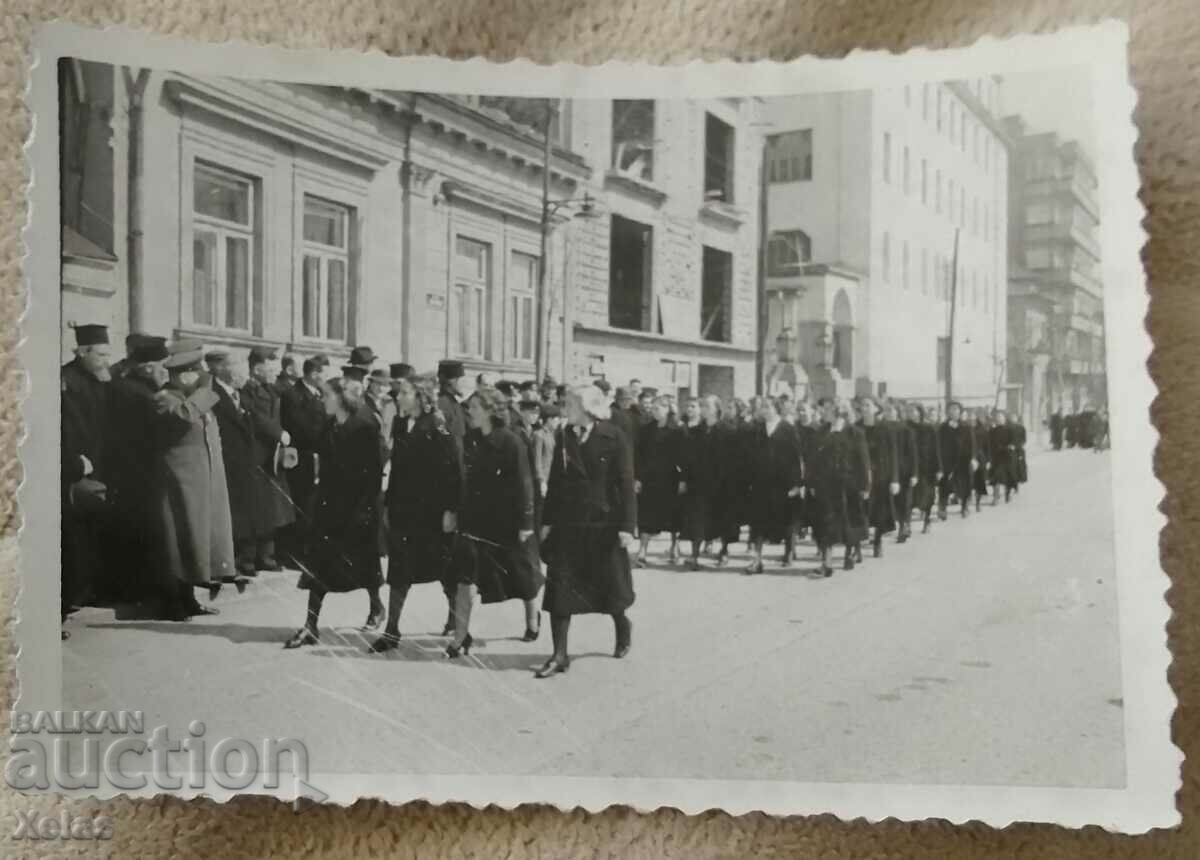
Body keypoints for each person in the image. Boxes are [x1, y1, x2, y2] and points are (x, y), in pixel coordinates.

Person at [537, 384, 636, 678]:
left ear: (587, 408)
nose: (565, 407)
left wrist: (627, 526)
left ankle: (622, 624)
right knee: (560, 588)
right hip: (569, 524)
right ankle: (559, 654)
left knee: (609, 588)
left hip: (602, 525)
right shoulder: (564, 435)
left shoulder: (614, 436)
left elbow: (626, 485)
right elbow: (555, 482)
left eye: (570, 403)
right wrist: (546, 522)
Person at [284, 377, 385, 648]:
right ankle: (310, 626)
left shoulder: (365, 426)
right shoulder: (330, 425)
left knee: (364, 563)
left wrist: (364, 511)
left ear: (342, 398)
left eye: (326, 395)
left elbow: (374, 473)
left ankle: (376, 606)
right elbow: (312, 444)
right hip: (330, 507)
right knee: (318, 564)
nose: (322, 400)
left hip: (358, 508)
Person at [368, 375, 463, 652]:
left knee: (446, 571)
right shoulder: (400, 423)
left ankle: (457, 622)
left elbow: (454, 471)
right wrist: (387, 506)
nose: (398, 397)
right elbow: (397, 468)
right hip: (403, 512)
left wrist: (451, 511)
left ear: (421, 397)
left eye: (405, 393)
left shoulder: (438, 424)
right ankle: (392, 630)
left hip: (432, 515)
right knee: (399, 571)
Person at [447, 386, 543, 657]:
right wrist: (453, 511)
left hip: (506, 522)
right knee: (465, 580)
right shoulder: (471, 439)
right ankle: (460, 636)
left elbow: (526, 484)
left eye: (475, 408)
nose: (469, 412)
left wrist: (526, 523)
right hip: (474, 521)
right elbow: (461, 479)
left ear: (490, 410)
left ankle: (533, 619)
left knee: (523, 576)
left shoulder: (512, 442)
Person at [151, 339, 234, 619]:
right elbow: (185, 415)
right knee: (177, 541)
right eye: (193, 372)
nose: (198, 377)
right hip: (178, 481)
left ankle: (189, 599)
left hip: (201, 481)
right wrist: (206, 389)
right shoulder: (165, 398)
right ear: (179, 375)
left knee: (195, 540)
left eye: (198, 372)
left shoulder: (194, 399)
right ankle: (172, 602)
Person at [104, 335, 170, 605]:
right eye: (161, 365)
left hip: (132, 472)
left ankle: (134, 590)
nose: (165, 371)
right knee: (142, 530)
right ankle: (140, 592)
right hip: (140, 473)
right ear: (146, 368)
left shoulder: (128, 387)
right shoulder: (141, 394)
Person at [61, 323, 113, 634]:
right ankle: (66, 603)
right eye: (101, 354)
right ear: (82, 352)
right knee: (71, 540)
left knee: (90, 536)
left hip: (98, 468)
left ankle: (83, 593)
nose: (107, 360)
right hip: (76, 471)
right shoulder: (66, 381)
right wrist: (76, 463)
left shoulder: (99, 379)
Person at [205, 350, 264, 584]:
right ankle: (226, 564)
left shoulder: (239, 394)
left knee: (240, 512)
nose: (246, 376)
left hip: (243, 463)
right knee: (229, 514)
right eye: (243, 371)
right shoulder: (213, 394)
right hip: (227, 462)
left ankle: (236, 562)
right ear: (227, 370)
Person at [241, 345, 295, 570]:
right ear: (255, 369)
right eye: (269, 365)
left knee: (272, 508)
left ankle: (267, 555)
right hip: (257, 455)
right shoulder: (248, 390)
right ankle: (248, 557)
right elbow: (255, 415)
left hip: (272, 457)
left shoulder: (272, 390)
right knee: (254, 508)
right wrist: (278, 433)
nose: (274, 369)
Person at [807, 398, 868, 576]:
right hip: (825, 486)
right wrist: (811, 482)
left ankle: (849, 553)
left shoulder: (855, 433)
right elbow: (813, 460)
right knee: (825, 523)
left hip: (848, 486)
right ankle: (826, 563)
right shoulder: (821, 432)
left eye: (827, 409)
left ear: (838, 411)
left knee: (848, 522)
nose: (823, 412)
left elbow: (863, 462)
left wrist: (864, 486)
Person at [744, 396, 804, 574]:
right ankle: (757, 560)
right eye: (763, 407)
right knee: (758, 522)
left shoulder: (788, 429)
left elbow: (795, 458)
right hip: (762, 483)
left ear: (777, 408)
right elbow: (752, 457)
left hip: (783, 484)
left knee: (785, 520)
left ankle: (788, 552)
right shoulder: (757, 429)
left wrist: (796, 484)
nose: (765, 410)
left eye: (768, 407)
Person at [279, 356, 329, 564]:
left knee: (313, 505)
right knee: (301, 504)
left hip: (317, 458)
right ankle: (296, 554)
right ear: (314, 373)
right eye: (322, 373)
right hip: (302, 458)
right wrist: (325, 439)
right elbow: (299, 427)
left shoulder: (317, 394)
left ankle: (307, 550)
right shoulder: (293, 395)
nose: (324, 378)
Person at [634, 394, 683, 567]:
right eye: (653, 408)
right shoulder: (646, 430)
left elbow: (683, 457)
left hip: (670, 478)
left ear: (667, 409)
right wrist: (637, 478)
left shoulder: (677, 430)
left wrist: (682, 479)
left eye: (658, 408)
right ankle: (642, 551)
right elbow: (638, 456)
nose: (654, 411)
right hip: (649, 479)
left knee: (673, 516)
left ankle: (674, 547)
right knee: (646, 516)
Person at [679, 395, 727, 570]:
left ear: (716, 409)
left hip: (721, 482)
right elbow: (688, 457)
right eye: (703, 406)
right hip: (698, 482)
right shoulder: (697, 431)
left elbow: (733, 459)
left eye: (707, 405)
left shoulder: (726, 430)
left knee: (721, 518)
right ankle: (694, 555)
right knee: (697, 519)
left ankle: (724, 551)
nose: (704, 408)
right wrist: (684, 479)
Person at [858, 397, 899, 558]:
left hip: (882, 475)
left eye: (868, 405)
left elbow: (893, 454)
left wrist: (895, 479)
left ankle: (878, 541)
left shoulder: (885, 428)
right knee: (861, 509)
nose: (864, 408)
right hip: (862, 475)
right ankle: (858, 544)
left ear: (876, 408)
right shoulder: (856, 427)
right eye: (862, 405)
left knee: (880, 511)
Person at [886, 400, 920, 543]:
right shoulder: (882, 428)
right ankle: (901, 525)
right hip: (887, 470)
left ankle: (904, 526)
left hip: (904, 471)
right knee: (892, 501)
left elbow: (913, 454)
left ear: (898, 413)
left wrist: (914, 473)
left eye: (891, 411)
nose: (888, 413)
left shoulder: (906, 430)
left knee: (904, 501)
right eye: (886, 411)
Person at [937, 401, 977, 519]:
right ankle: (942, 508)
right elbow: (938, 446)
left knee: (965, 485)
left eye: (956, 409)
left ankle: (964, 506)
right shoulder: (942, 428)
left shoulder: (966, 427)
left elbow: (972, 444)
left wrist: (973, 458)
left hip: (963, 461)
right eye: (951, 409)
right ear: (947, 412)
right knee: (944, 485)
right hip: (947, 462)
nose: (953, 411)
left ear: (960, 412)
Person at [908, 403, 943, 534]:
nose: (911, 413)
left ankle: (927, 520)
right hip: (911, 467)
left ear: (920, 412)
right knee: (910, 496)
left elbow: (936, 449)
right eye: (909, 411)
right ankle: (907, 525)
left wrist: (939, 468)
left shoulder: (929, 428)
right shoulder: (906, 427)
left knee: (927, 495)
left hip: (927, 467)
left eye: (913, 410)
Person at [988, 409, 1019, 503]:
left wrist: (1011, 446)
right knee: (995, 477)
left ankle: (1007, 494)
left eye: (1000, 417)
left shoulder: (1010, 429)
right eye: (997, 417)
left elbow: (1014, 441)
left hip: (1007, 456)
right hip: (996, 457)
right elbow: (989, 444)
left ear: (1004, 418)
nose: (998, 419)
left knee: (1008, 477)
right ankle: (995, 497)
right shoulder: (992, 431)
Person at [437, 359, 470, 443]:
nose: (464, 384)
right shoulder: (443, 402)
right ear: (451, 381)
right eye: (461, 380)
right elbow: (444, 435)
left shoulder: (453, 401)